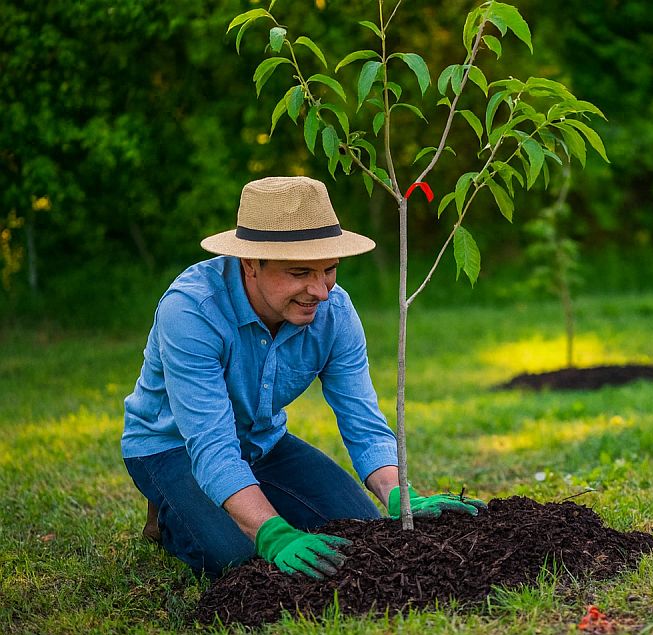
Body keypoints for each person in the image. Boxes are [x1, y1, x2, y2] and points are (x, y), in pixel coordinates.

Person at [121, 176, 483, 581]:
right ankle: (169, 511)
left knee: (360, 529)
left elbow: (362, 420)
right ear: (250, 264)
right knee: (237, 556)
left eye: (329, 270)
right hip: (172, 446)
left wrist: (397, 493)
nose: (321, 291)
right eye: (299, 273)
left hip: (263, 441)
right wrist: (272, 533)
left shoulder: (335, 313)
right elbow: (210, 443)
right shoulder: (192, 311)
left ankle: (244, 497)